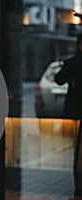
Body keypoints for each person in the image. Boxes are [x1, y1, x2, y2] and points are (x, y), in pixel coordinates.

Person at [55, 32, 82, 198]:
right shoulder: (74, 62)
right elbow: (59, 78)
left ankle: (78, 188)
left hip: (74, 112)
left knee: (76, 153)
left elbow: (59, 78)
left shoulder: (73, 62)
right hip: (75, 113)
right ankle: (78, 187)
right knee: (77, 153)